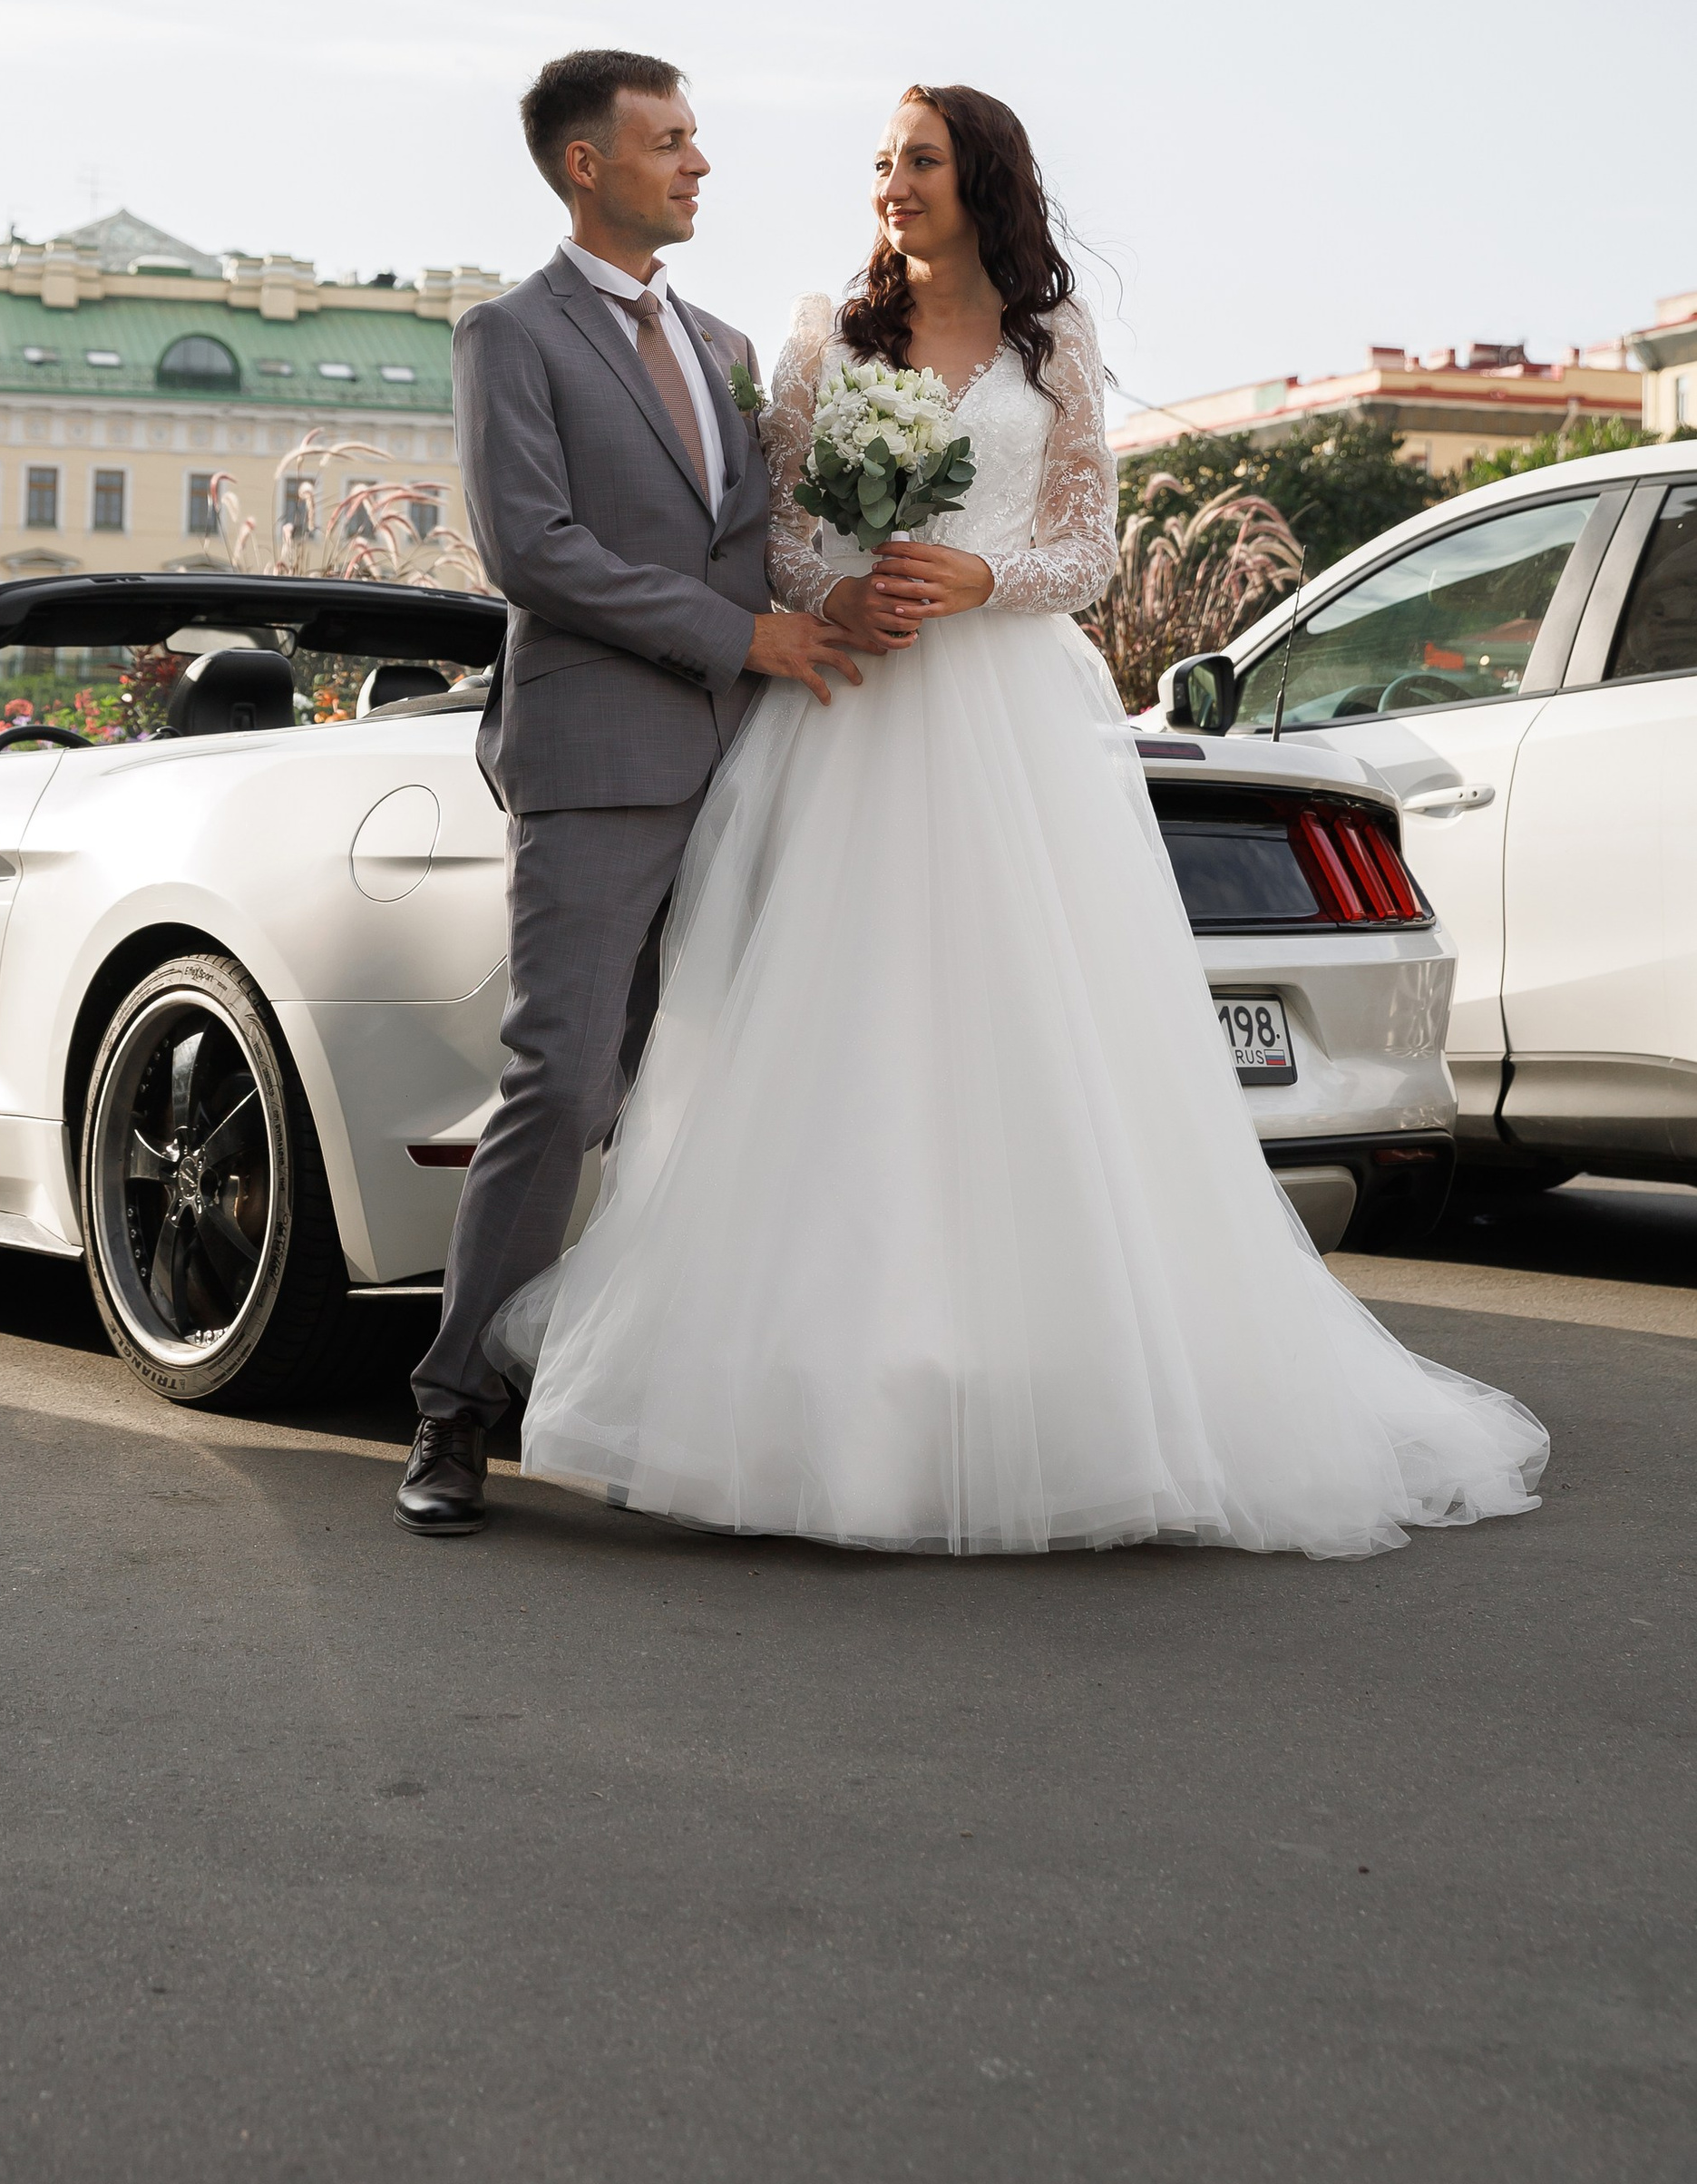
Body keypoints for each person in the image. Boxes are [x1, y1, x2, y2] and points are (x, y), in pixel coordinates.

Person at [487, 84, 1548, 1559]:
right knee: (834, 1044)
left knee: (1026, 1043)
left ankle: (1055, 1383)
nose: (890, 183)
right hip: (850, 710)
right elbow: (780, 530)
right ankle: (832, 1396)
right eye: (880, 162)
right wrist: (841, 588)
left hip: (1010, 727)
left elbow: (1088, 543)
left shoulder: (1057, 346)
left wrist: (980, 579)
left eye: (916, 161)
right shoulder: (823, 342)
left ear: (981, 180)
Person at [395, 50, 870, 1534]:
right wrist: (744, 637)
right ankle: (455, 1407)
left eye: (698, 138)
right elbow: (532, 550)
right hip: (602, 761)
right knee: (565, 1082)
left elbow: (763, 542)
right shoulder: (509, 335)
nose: (700, 163)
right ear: (584, 165)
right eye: (669, 142)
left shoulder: (732, 348)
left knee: (730, 1092)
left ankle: (672, 1405)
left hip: (755, 761)